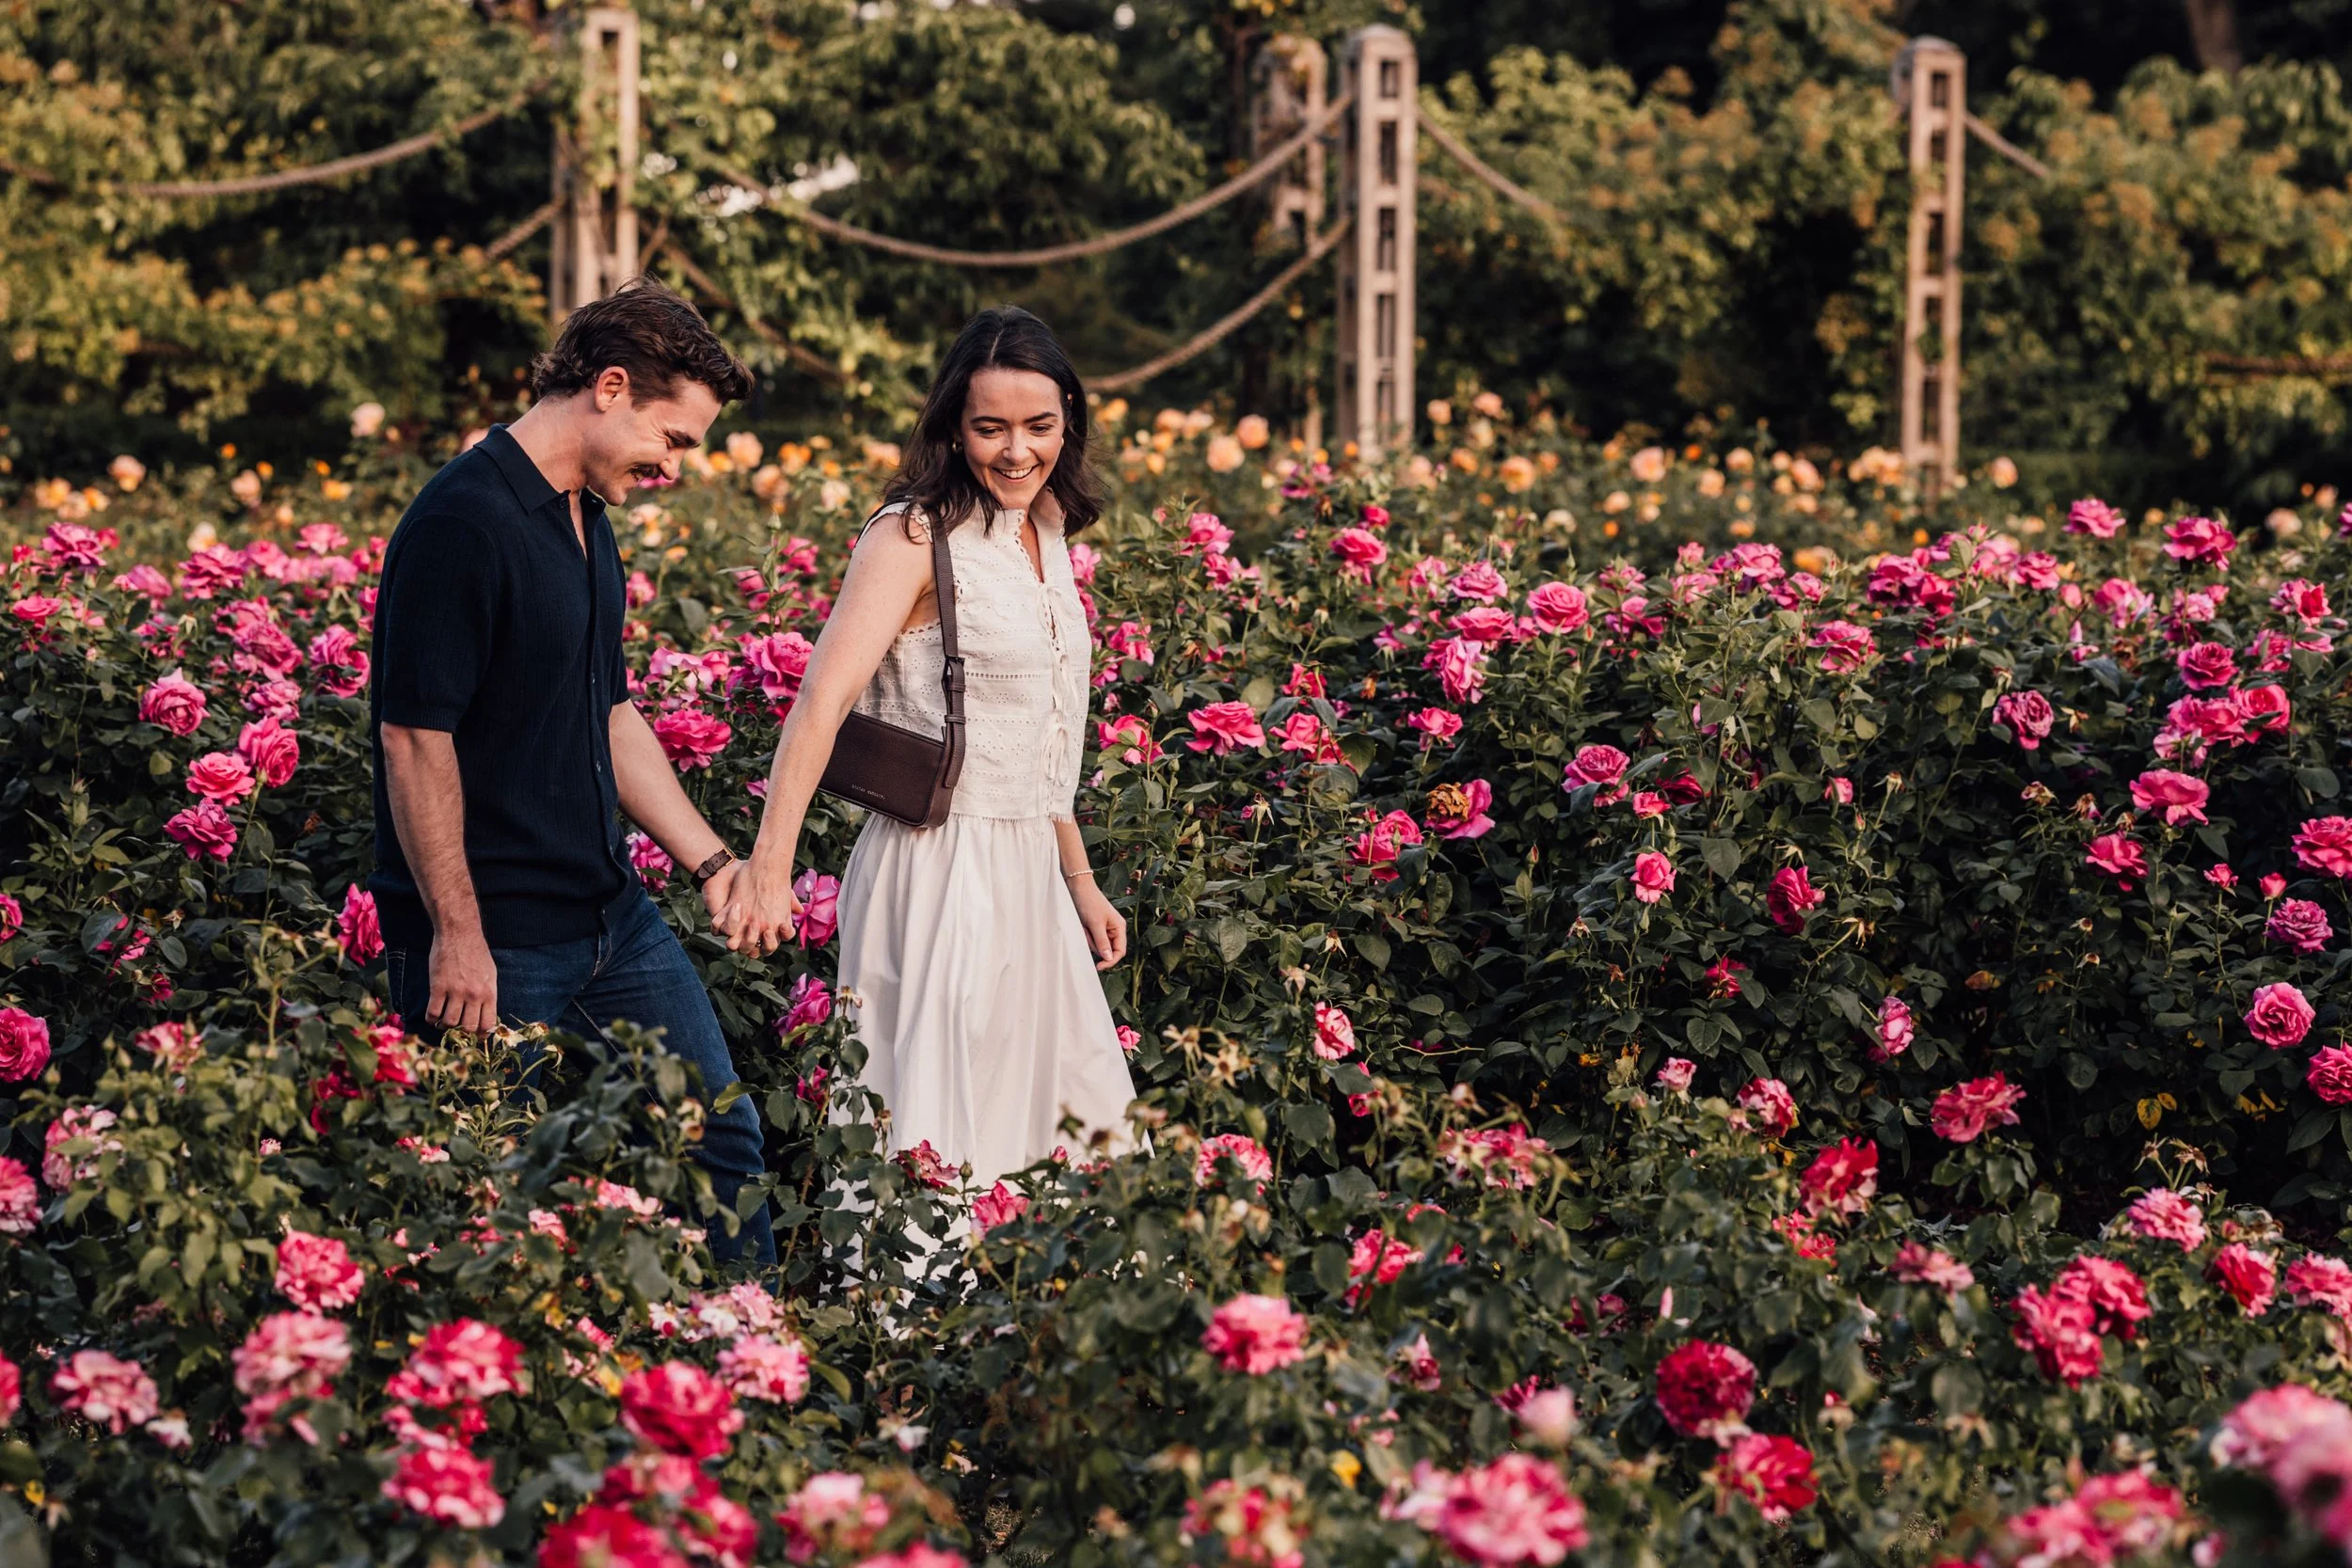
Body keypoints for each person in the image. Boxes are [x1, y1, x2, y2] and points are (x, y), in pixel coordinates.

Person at [368, 277, 775, 1265]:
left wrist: (713, 862)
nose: (677, 466)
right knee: (484, 1200)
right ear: (610, 386)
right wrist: (456, 936)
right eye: (672, 439)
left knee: (721, 1136)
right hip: (499, 940)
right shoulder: (461, 523)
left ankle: (759, 1366)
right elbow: (414, 741)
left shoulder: (584, 520)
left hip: (611, 919)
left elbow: (611, 711)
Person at [716, 306, 1137, 1189]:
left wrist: (1081, 880)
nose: (1016, 451)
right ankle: (907, 1326)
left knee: (1061, 1120)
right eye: (990, 428)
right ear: (953, 425)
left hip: (1030, 869)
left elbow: (1040, 732)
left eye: (1039, 426)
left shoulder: (1047, 531)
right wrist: (769, 867)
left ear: (1070, 418)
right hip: (937, 866)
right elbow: (819, 704)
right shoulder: (913, 536)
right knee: (937, 1128)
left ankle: (1053, 1320)